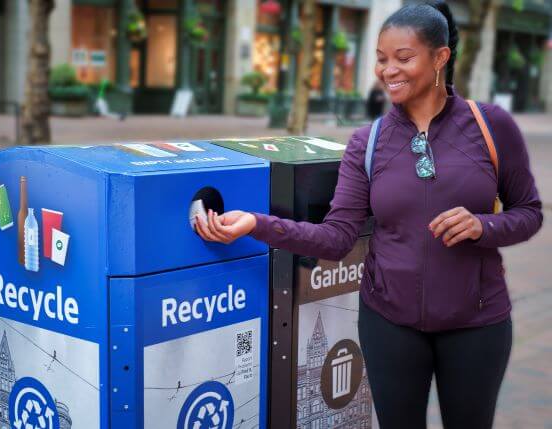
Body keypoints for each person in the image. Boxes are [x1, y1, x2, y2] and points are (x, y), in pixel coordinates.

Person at [194, 1, 543, 428]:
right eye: (381, 59)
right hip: (390, 323)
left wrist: (483, 224)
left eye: (404, 57)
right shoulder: (368, 142)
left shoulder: (491, 126)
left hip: (477, 323)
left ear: (440, 57)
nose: (388, 70)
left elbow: (528, 213)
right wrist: (256, 224)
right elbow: (337, 237)